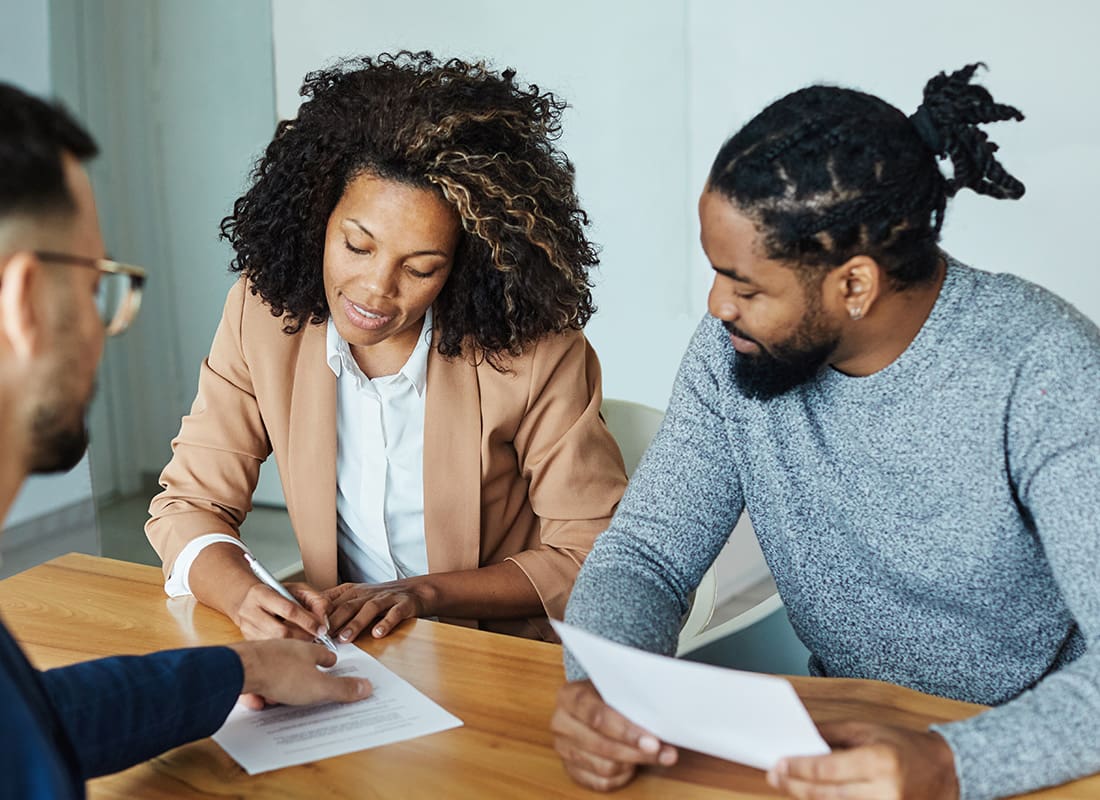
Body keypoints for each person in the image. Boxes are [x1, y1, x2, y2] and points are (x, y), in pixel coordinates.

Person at [552, 63, 1100, 800]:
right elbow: (648, 554)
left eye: (746, 286)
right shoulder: (733, 352)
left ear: (854, 285)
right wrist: (603, 689)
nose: (717, 306)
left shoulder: (1045, 370)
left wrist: (950, 763)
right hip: (835, 747)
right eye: (717, 274)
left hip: (1036, 758)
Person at [146, 51, 626, 647]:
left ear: (463, 266)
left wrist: (424, 593)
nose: (375, 290)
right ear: (317, 217)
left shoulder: (533, 352)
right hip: (353, 650)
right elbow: (189, 503)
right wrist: (245, 593)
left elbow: (591, 555)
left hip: (499, 651)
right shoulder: (263, 317)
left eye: (420, 267)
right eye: (356, 246)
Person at [0, 84, 373, 799]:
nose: (107, 324)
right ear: (23, 305)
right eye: (93, 286)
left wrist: (242, 670)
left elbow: (36, 721)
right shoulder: (262, 318)